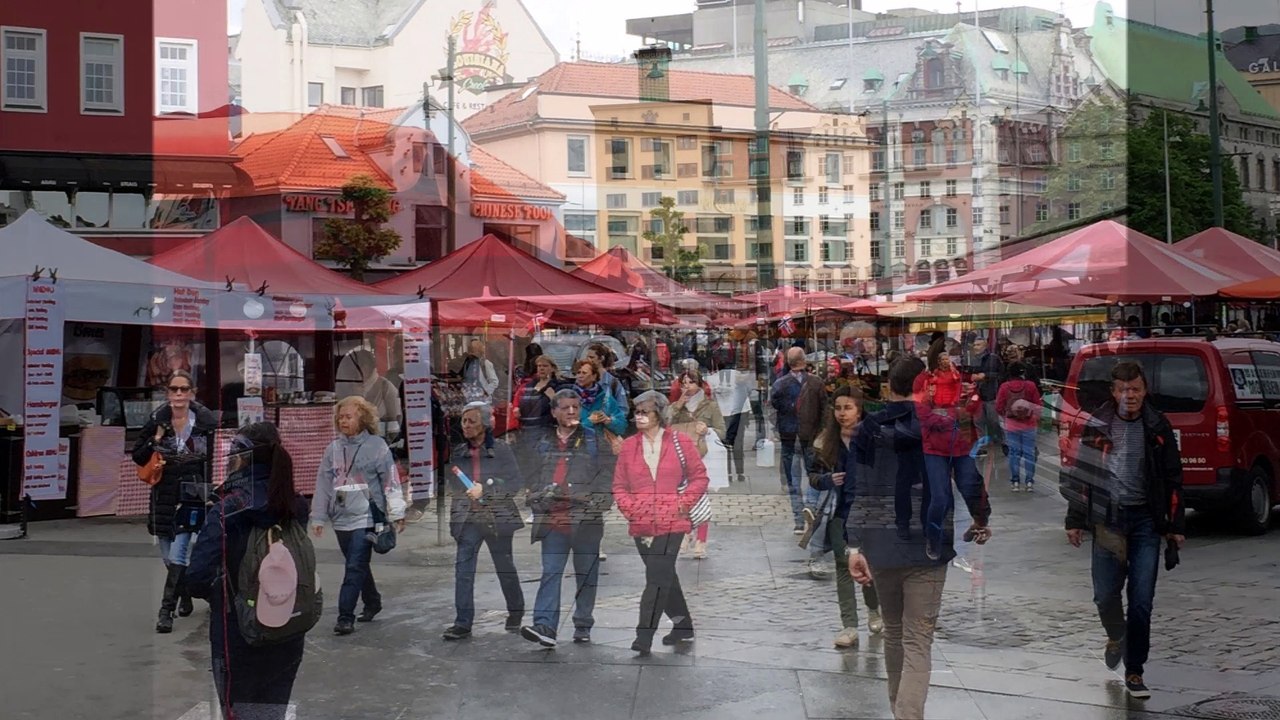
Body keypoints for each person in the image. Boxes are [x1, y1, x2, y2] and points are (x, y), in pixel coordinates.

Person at [847, 357, 992, 720]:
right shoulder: (941, 426)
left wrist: (854, 544)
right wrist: (980, 516)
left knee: (895, 634)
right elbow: (969, 479)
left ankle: (901, 710)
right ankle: (906, 715)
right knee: (917, 640)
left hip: (880, 543)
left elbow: (856, 488)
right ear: (924, 385)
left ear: (889, 386)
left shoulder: (868, 429)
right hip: (927, 544)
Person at [1064, 361, 1185, 700]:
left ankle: (1134, 670)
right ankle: (1116, 635)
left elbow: (1174, 478)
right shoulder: (1099, 424)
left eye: (1135, 389)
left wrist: (1175, 527)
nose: (1129, 395)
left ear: (1144, 391)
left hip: (1146, 520)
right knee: (1105, 594)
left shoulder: (1157, 426)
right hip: (1108, 519)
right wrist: (1074, 520)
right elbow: (1082, 474)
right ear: (1113, 392)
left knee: (1142, 600)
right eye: (1123, 390)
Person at [187, 422, 309, 720]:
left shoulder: (228, 508)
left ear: (241, 458)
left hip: (237, 632)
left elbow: (197, 576)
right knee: (270, 710)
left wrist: (222, 594)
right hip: (288, 626)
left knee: (238, 711)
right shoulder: (295, 505)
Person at [613, 391, 708, 656]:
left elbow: (699, 477)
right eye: (637, 411)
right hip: (641, 522)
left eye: (646, 411)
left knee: (656, 575)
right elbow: (619, 485)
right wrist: (630, 509)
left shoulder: (680, 442)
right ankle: (683, 624)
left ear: (660, 413)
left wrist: (683, 503)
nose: (639, 415)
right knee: (665, 575)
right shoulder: (629, 446)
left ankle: (644, 634)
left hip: (673, 521)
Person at [520, 389, 611, 647]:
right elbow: (532, 475)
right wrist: (536, 498)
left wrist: (597, 503)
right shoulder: (543, 442)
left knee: (586, 574)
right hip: (552, 520)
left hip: (586, 520)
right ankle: (545, 626)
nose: (571, 411)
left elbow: (608, 476)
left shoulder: (594, 441)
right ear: (554, 412)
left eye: (575, 407)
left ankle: (583, 623)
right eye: (566, 407)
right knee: (551, 571)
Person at [131, 369, 219, 634]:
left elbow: (207, 460)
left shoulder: (203, 421)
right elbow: (138, 455)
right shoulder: (157, 419)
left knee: (181, 551)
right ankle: (184, 593)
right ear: (167, 393)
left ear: (192, 393)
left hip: (191, 492)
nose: (178, 394)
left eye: (183, 389)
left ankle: (165, 611)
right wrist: (156, 441)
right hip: (164, 492)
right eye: (173, 389)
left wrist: (208, 494)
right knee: (169, 557)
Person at [310, 397, 405, 636]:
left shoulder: (377, 446)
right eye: (340, 416)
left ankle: (345, 616)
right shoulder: (333, 449)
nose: (343, 421)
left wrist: (397, 512)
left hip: (367, 517)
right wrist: (318, 517)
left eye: (348, 416)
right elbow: (322, 484)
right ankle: (372, 601)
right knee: (358, 565)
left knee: (354, 566)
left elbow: (390, 481)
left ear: (362, 418)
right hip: (340, 517)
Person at [442, 402, 527, 640]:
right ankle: (463, 622)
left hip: (496, 515)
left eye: (472, 421)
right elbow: (453, 481)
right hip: (468, 517)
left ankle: (516, 609)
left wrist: (487, 489)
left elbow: (514, 483)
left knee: (505, 566)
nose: (466, 426)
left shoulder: (501, 449)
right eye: (464, 421)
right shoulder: (459, 450)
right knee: (463, 570)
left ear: (486, 424)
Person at [809, 386, 882, 649]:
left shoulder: (874, 437)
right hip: (839, 513)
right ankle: (849, 625)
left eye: (847, 407)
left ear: (859, 408)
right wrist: (827, 479)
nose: (842, 413)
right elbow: (813, 476)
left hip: (869, 514)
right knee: (843, 566)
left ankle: (874, 609)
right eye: (838, 408)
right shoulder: (826, 440)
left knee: (867, 567)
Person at [915, 341, 984, 561]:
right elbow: (923, 413)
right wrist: (952, 416)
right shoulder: (924, 381)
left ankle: (980, 524)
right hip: (934, 447)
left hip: (961, 444)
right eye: (944, 356)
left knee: (973, 488)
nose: (948, 360)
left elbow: (973, 405)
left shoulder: (960, 379)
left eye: (951, 356)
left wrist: (957, 412)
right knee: (940, 497)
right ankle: (933, 538)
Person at [666, 368, 726, 559]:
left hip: (703, 455)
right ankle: (686, 532)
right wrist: (677, 406)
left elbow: (723, 431)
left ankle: (701, 540)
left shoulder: (710, 406)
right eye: (683, 383)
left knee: (700, 498)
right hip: (680, 455)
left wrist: (707, 430)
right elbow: (664, 425)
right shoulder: (676, 406)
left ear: (699, 384)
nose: (687, 387)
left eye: (691, 383)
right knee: (681, 496)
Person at [769, 347, 826, 536]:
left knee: (794, 480)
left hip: (789, 437)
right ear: (804, 360)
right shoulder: (816, 383)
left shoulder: (780, 384)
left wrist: (777, 428)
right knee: (813, 475)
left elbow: (772, 408)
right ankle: (811, 507)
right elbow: (825, 410)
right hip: (810, 437)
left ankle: (799, 521)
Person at [996, 362, 1043, 493]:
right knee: (1029, 453)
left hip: (1011, 424)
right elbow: (1037, 405)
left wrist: (1006, 415)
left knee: (1014, 453)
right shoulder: (1030, 386)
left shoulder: (1004, 387)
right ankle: (1029, 482)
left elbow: (998, 406)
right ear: (1023, 372)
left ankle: (1015, 482)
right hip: (1029, 424)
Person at [349, 349, 402, 439]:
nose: (355, 372)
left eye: (359, 367)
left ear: (368, 367)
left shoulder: (385, 387)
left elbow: (395, 420)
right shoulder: (353, 387)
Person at [573, 359, 627, 443]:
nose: (580, 376)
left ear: (594, 376)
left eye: (584, 373)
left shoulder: (606, 399)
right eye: (578, 373)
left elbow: (622, 427)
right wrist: (589, 421)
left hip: (602, 448)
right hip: (577, 446)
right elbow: (565, 428)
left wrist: (608, 421)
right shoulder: (570, 398)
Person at [969, 339, 1004, 456]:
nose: (975, 347)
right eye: (974, 345)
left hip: (991, 394)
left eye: (978, 344)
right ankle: (983, 445)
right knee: (978, 421)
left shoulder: (993, 358)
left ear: (985, 346)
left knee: (993, 421)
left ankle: (1001, 441)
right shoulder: (974, 360)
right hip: (978, 396)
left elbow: (1002, 374)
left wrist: (986, 376)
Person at [586, 342, 629, 412]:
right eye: (587, 357)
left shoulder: (613, 382)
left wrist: (610, 420)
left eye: (591, 357)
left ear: (601, 359)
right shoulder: (582, 380)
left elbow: (623, 408)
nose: (588, 360)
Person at [459, 338, 499, 403]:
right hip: (469, 399)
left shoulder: (485, 363)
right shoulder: (467, 363)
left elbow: (494, 382)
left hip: (483, 401)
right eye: (470, 350)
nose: (470, 353)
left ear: (479, 351)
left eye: (473, 350)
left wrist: (485, 392)